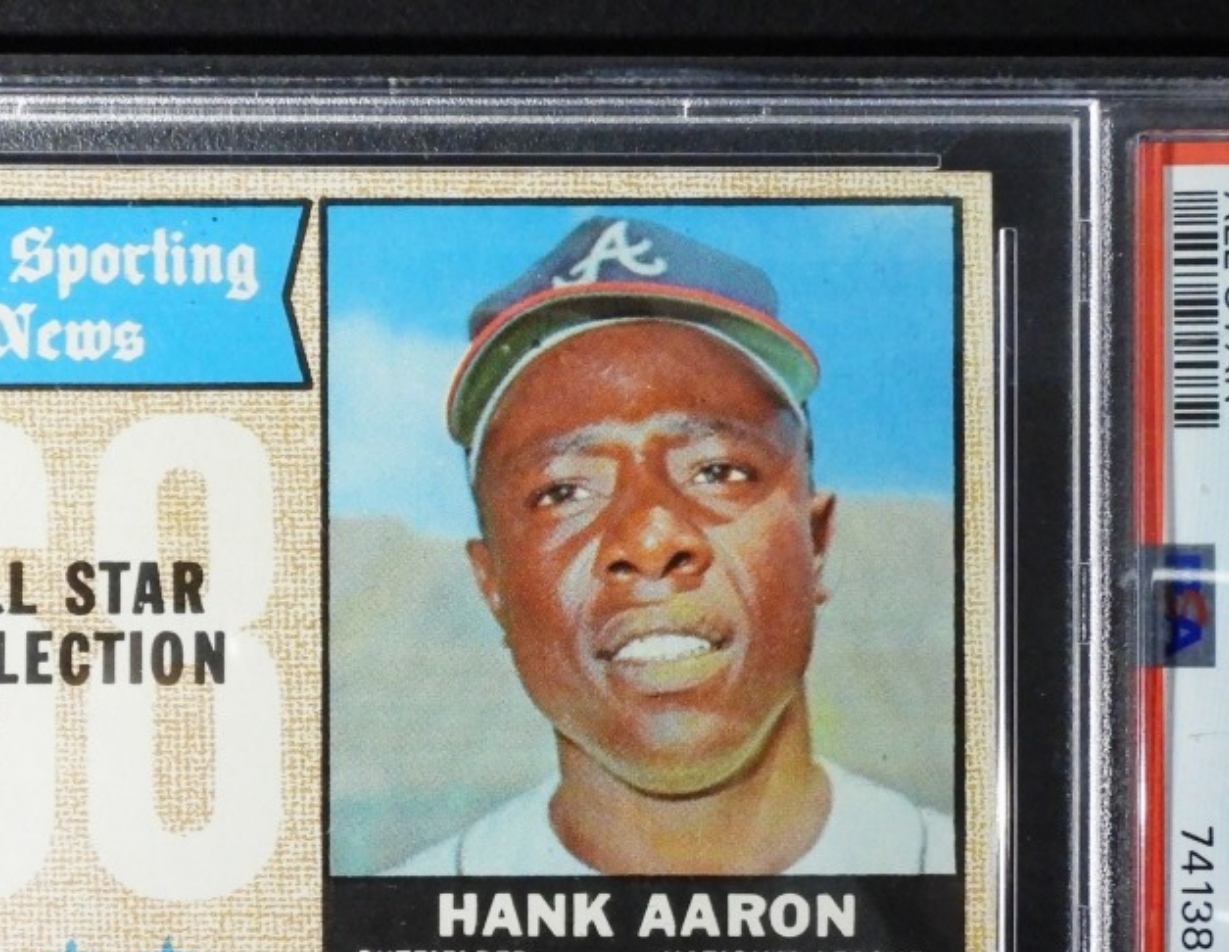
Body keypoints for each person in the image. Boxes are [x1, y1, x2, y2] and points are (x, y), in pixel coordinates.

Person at [387, 216, 953, 876]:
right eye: (565, 490)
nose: (651, 538)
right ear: (493, 587)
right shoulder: (398, 918)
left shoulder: (981, 895)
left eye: (717, 471)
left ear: (816, 539)